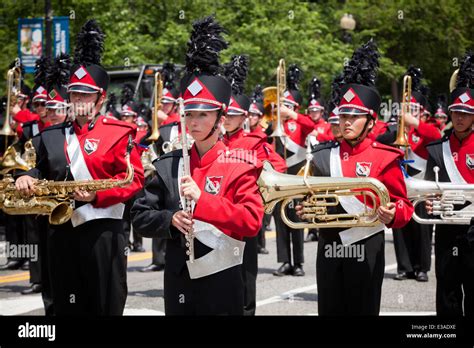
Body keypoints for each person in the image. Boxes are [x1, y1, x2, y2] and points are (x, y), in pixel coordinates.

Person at [131, 16, 263, 315]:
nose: (194, 121)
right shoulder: (168, 165)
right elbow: (140, 216)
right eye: (189, 113)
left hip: (224, 277)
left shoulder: (240, 164)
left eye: (203, 115)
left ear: (221, 117)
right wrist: (170, 219)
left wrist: (204, 201)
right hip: (179, 282)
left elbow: (251, 222)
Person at [15, 19, 144, 315]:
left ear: (101, 98)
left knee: (104, 304)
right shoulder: (49, 135)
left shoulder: (120, 132)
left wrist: (96, 196)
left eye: (85, 94)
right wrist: (27, 176)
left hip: (104, 232)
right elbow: (42, 169)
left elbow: (134, 180)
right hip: (61, 234)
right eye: (74, 94)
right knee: (65, 305)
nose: (78, 100)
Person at [297, 40, 414, 315]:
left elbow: (404, 205)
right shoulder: (323, 156)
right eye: (343, 115)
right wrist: (300, 210)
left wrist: (392, 214)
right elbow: (304, 197)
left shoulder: (385, 157)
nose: (346, 122)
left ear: (371, 121)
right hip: (328, 247)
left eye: (354, 116)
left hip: (367, 247)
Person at [378, 66, 441, 282]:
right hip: (401, 184)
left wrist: (414, 123)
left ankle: (421, 267)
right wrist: (396, 129)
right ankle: (404, 267)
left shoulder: (426, 128)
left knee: (422, 227)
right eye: (407, 109)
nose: (408, 113)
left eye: (413, 110)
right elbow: (378, 139)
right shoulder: (397, 128)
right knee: (400, 227)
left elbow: (436, 135)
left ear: (421, 112)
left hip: (422, 184)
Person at [424, 51, 474, 316]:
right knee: (447, 296)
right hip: (446, 231)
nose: (459, 118)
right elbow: (424, 194)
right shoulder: (436, 149)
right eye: (456, 112)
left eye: (466, 113)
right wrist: (428, 204)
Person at [271, 64, 314, 277]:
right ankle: (285, 261)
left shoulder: (299, 121)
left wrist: (292, 115)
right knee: (280, 220)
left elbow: (313, 125)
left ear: (295, 107)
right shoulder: (275, 124)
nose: (283, 109)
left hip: (296, 175)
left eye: (287, 105)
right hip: (280, 176)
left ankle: (298, 263)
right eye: (282, 105)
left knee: (296, 219)